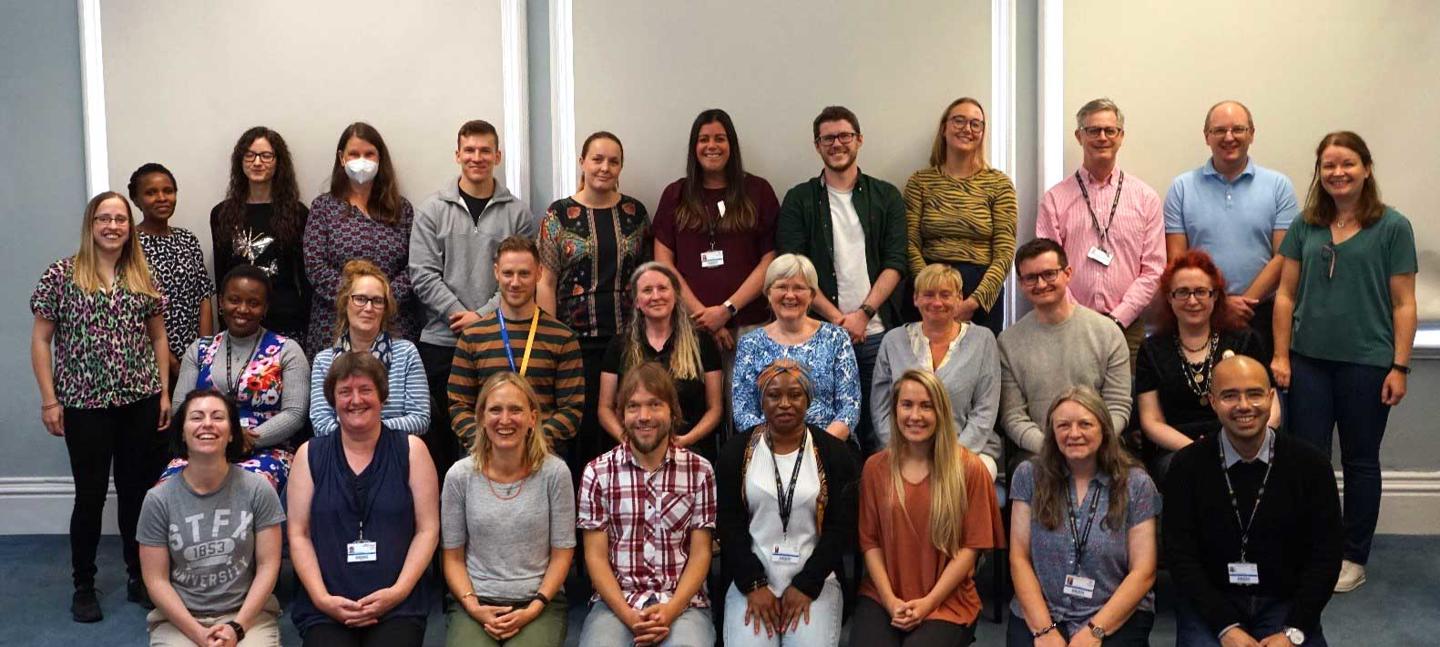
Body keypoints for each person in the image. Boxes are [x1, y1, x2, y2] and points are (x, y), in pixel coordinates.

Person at [1273, 131, 1416, 593]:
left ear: (1366, 168)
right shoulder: (1306, 224)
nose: (1338, 172)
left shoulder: (1393, 227)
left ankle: (1353, 555)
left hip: (1368, 364)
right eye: (1329, 165)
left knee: (1359, 462)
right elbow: (1286, 294)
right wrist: (1280, 354)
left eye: (1347, 164)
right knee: (1309, 460)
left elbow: (1404, 304)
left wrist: (1399, 366)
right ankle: (1315, 549)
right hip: (1308, 361)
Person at [31, 191, 171, 622]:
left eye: (121, 220)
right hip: (83, 403)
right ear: (91, 225)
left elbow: (158, 338)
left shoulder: (142, 277)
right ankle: (84, 585)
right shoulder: (62, 275)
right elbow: (41, 339)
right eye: (104, 219)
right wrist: (49, 400)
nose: (113, 226)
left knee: (136, 494)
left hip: (140, 401)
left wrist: (164, 393)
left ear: (130, 227)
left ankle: (138, 576)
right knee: (90, 497)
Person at [1165, 355, 1342, 646]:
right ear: (1212, 402)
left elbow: (1326, 556)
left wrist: (1293, 631)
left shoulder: (1311, 465)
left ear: (1272, 398)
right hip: (1212, 601)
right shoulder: (1187, 465)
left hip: (1283, 600)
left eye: (1255, 394)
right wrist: (1225, 628)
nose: (1244, 406)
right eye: (1229, 396)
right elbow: (1180, 555)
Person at [777, 106, 907, 455]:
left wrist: (862, 314)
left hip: (880, 334)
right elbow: (794, 268)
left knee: (882, 433)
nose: (837, 143)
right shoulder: (799, 199)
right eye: (828, 138)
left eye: (845, 136)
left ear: (859, 140)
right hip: (820, 335)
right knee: (830, 435)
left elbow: (896, 262)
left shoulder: (886, 196)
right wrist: (838, 321)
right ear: (817, 145)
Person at [411, 119, 537, 479]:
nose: (477, 157)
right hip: (441, 342)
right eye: (470, 150)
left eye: (485, 150)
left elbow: (521, 277)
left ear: (497, 155)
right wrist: (461, 315)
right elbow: (422, 274)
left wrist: (482, 317)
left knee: (499, 438)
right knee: (447, 444)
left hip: (501, 341)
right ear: (457, 154)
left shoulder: (518, 213)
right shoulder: (432, 210)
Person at [288, 352, 440, 646]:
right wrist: (322, 598)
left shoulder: (413, 450)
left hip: (398, 604)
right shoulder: (309, 454)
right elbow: (298, 534)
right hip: (327, 605)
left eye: (365, 390)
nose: (355, 400)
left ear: (382, 395)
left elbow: (428, 529)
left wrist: (398, 591)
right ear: (333, 400)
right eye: (344, 392)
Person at [850, 370, 1004, 646]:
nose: (915, 416)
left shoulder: (970, 470)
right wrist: (889, 601)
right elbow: (870, 542)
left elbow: (971, 550)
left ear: (941, 411)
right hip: (883, 594)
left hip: (947, 600)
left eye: (926, 406)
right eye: (906, 405)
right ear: (894, 409)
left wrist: (927, 604)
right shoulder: (875, 468)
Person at [716, 359, 859, 647]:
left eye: (794, 395)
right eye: (773, 395)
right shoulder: (736, 452)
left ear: (808, 399)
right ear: (761, 400)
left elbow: (840, 528)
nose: (784, 403)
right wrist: (754, 584)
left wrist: (807, 585)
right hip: (752, 579)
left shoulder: (834, 453)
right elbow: (728, 524)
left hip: (817, 580)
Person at [576, 363, 717, 647]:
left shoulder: (700, 471)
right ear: (621, 414)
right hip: (617, 603)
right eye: (633, 406)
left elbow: (701, 554)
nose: (644, 417)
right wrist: (629, 616)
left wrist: (670, 611)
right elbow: (596, 558)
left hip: (683, 603)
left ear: (672, 412)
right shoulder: (597, 472)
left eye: (655, 405)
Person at [1008, 386, 1160, 646]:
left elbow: (1143, 571)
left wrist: (1095, 631)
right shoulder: (1028, 476)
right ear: (1051, 432)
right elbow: (1019, 558)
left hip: (1112, 612)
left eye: (1085, 424)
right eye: (1063, 425)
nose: (1074, 434)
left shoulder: (1136, 483)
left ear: (1104, 429)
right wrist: (1044, 630)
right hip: (1043, 611)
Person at [538, 130, 651, 471]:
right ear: (582, 162)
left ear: (621, 167)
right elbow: (546, 280)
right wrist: (550, 336)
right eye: (597, 159)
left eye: (613, 161)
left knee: (626, 423)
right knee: (582, 429)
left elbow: (648, 277)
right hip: (574, 343)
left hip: (628, 341)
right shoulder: (558, 214)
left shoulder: (635, 213)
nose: (604, 167)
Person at [138, 389, 285, 646]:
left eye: (218, 417)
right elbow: (156, 580)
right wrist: (198, 634)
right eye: (196, 417)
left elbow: (268, 566)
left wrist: (236, 628)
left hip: (246, 615)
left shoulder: (258, 489)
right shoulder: (157, 499)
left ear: (231, 434)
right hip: (181, 619)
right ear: (182, 433)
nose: (207, 424)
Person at [442, 372, 574, 646]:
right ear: (480, 418)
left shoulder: (555, 473)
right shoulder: (459, 476)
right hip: (475, 601)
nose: (505, 420)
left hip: (539, 602)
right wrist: (473, 607)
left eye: (516, 410)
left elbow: (562, 554)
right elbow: (452, 558)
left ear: (532, 418)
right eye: (495, 410)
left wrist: (534, 608)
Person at [1164, 101, 1299, 361]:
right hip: (1200, 313)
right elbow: (1177, 261)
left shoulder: (1278, 186)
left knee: (1256, 396)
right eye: (1219, 130)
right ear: (1207, 137)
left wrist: (1244, 303)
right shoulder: (1181, 188)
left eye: (1238, 129)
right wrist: (1219, 304)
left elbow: (1283, 257)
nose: (1229, 137)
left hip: (1260, 315)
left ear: (1251, 133)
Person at [1036, 98, 1164, 368]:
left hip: (1127, 329)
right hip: (1067, 326)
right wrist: (1077, 317)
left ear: (1121, 137)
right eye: (1093, 130)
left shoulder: (1145, 198)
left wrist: (1119, 318)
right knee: (1070, 405)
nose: (1102, 137)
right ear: (1079, 136)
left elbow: (1153, 269)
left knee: (1122, 405)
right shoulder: (1055, 199)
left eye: (1110, 130)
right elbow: (1047, 268)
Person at [165, 265, 310, 490]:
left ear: (265, 308)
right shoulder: (199, 350)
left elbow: (295, 414)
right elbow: (180, 408)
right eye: (234, 300)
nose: (242, 309)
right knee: (167, 487)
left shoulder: (288, 350)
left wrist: (245, 440)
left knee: (250, 488)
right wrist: (216, 439)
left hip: (266, 451)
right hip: (203, 446)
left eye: (253, 303)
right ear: (221, 302)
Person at [652, 108, 780, 357]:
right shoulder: (675, 195)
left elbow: (770, 260)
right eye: (704, 139)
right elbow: (663, 263)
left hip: (750, 326)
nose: (712, 146)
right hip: (690, 327)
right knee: (695, 397)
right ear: (694, 147)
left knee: (745, 397)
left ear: (731, 145)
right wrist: (704, 316)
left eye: (720, 138)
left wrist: (725, 311)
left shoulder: (758, 191)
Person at [1136, 251, 1274, 480]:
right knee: (1191, 472)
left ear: (1215, 296)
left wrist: (1230, 447)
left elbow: (1272, 408)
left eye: (1201, 292)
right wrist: (1198, 452)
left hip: (1241, 441)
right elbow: (1151, 422)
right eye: (1182, 292)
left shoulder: (1244, 340)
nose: (1192, 300)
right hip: (1177, 450)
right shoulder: (1152, 349)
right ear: (1169, 297)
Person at [449, 236, 584, 467]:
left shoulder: (563, 338)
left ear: (539, 273)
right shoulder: (472, 337)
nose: (515, 282)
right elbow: (458, 406)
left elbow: (572, 410)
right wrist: (491, 443)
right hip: (484, 457)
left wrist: (530, 444)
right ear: (496, 272)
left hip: (543, 457)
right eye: (508, 273)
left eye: (524, 274)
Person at [999, 238, 1130, 458]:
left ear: (1067, 273)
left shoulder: (1107, 332)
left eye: (1049, 274)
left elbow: (1118, 406)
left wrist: (1090, 443)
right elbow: (1013, 416)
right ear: (1021, 284)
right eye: (1031, 278)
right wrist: (1054, 448)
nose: (1041, 284)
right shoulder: (1008, 343)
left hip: (1100, 450)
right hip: (1039, 454)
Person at [872, 264, 1002, 479]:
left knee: (978, 472)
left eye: (945, 294)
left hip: (965, 449)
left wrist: (949, 456)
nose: (937, 302)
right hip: (904, 449)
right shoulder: (893, 341)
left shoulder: (983, 340)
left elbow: (985, 410)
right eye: (928, 294)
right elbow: (881, 407)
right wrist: (906, 453)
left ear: (959, 297)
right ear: (915, 298)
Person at [903, 97, 1019, 336]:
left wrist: (974, 301)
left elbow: (1005, 252)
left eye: (976, 124)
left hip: (980, 292)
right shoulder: (920, 182)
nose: (967, 129)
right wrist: (929, 292)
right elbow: (910, 242)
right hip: (927, 288)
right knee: (923, 368)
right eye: (959, 121)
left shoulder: (999, 184)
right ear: (944, 127)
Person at [305, 121, 418, 353]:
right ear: (341, 158)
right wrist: (356, 299)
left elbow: (414, 265)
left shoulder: (401, 209)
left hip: (393, 323)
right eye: (354, 154)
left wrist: (382, 301)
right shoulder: (324, 207)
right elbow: (315, 266)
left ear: (380, 159)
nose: (362, 160)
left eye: (369, 154)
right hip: (334, 324)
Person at [598, 262, 724, 463]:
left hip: (691, 450)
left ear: (675, 295)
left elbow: (715, 408)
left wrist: (682, 442)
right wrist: (629, 440)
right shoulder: (619, 346)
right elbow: (605, 408)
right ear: (637, 301)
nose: (656, 296)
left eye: (663, 288)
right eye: (647, 290)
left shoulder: (702, 342)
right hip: (634, 451)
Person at [731, 254, 861, 444]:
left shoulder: (836, 337)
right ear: (768, 292)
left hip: (829, 447)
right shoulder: (750, 344)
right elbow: (743, 411)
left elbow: (850, 405)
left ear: (812, 296)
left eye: (799, 288)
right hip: (767, 450)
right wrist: (781, 449)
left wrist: (816, 447)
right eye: (782, 287)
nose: (790, 295)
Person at [210, 126, 312, 346]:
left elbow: (304, 276)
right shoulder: (221, 213)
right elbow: (221, 275)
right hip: (238, 322)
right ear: (240, 161)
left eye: (266, 156)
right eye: (250, 155)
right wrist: (224, 320)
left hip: (286, 321)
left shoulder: (297, 213)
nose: (257, 162)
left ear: (278, 162)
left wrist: (305, 322)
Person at [310, 260, 429, 436]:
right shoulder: (324, 361)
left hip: (394, 451)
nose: (368, 308)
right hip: (341, 455)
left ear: (385, 308)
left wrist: (363, 428)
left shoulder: (406, 353)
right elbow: (321, 425)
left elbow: (420, 420)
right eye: (360, 299)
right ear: (345, 303)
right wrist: (361, 435)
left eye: (377, 301)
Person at [130, 162, 214, 381]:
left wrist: (203, 352)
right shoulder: (129, 245)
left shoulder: (187, 239)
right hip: (148, 359)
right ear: (136, 200)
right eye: (151, 193)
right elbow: (133, 309)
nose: (161, 198)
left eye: (168, 191)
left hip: (195, 358)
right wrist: (172, 362)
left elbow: (203, 297)